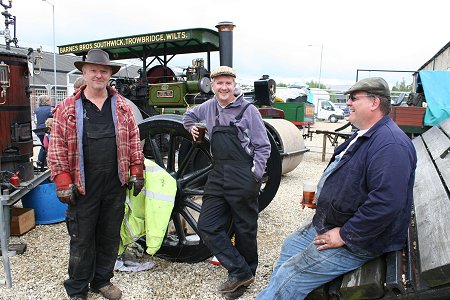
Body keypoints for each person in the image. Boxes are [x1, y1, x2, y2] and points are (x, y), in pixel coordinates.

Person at [257, 77, 417, 300]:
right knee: (291, 245)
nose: (347, 103)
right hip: (332, 222)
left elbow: (386, 203)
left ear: (374, 103)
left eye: (353, 98)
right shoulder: (365, 134)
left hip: (361, 238)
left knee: (292, 274)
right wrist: (323, 198)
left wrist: (345, 234)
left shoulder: (390, 145)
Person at [47, 49, 144, 300]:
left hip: (114, 183)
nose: (98, 75)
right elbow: (56, 146)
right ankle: (77, 288)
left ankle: (102, 280)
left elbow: (134, 141)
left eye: (103, 71)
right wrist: (62, 180)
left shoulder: (122, 106)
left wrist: (137, 170)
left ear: (110, 74)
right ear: (84, 72)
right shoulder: (67, 108)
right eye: (93, 70)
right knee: (81, 238)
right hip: (83, 185)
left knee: (109, 235)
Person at [182, 66, 271, 298]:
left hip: (243, 173)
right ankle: (240, 270)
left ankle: (243, 280)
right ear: (212, 86)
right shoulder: (208, 106)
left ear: (234, 85)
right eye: (219, 83)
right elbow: (188, 116)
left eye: (228, 83)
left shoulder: (248, 110)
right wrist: (192, 128)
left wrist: (255, 175)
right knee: (207, 226)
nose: (223, 87)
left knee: (245, 229)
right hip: (218, 171)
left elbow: (263, 145)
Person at [34, 94, 52, 165]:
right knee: (47, 146)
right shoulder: (50, 109)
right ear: (47, 101)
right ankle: (42, 161)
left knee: (44, 145)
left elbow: (35, 121)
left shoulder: (37, 110)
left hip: (38, 131)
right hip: (47, 130)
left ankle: (41, 162)